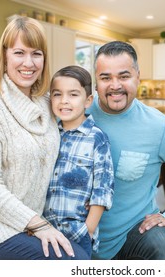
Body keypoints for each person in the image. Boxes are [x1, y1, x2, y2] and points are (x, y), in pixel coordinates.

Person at [0, 16, 88, 260]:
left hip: (22, 219)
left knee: (78, 255)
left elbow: (83, 103)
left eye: (36, 53)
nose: (29, 62)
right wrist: (39, 225)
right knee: (73, 261)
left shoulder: (46, 101)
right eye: (19, 52)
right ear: (4, 57)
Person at [87, 41, 165, 260]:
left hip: (132, 234)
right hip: (77, 235)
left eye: (124, 76)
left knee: (163, 247)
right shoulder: (77, 112)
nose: (115, 85)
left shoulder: (159, 127)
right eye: (106, 78)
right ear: (96, 82)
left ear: (138, 77)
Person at [43, 65, 114, 259]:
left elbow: (103, 191)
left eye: (73, 95)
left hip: (76, 234)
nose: (64, 101)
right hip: (44, 230)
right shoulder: (49, 134)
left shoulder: (96, 139)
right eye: (57, 94)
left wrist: (87, 231)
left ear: (88, 100)